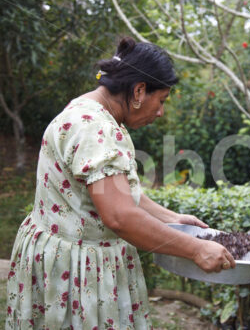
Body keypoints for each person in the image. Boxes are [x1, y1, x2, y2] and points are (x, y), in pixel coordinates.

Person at [5, 37, 236, 329]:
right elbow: (120, 216)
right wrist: (196, 249)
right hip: (77, 270)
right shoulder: (94, 128)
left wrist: (171, 217)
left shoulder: (92, 111)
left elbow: (117, 192)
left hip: (60, 253)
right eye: (161, 100)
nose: (161, 111)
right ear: (139, 90)